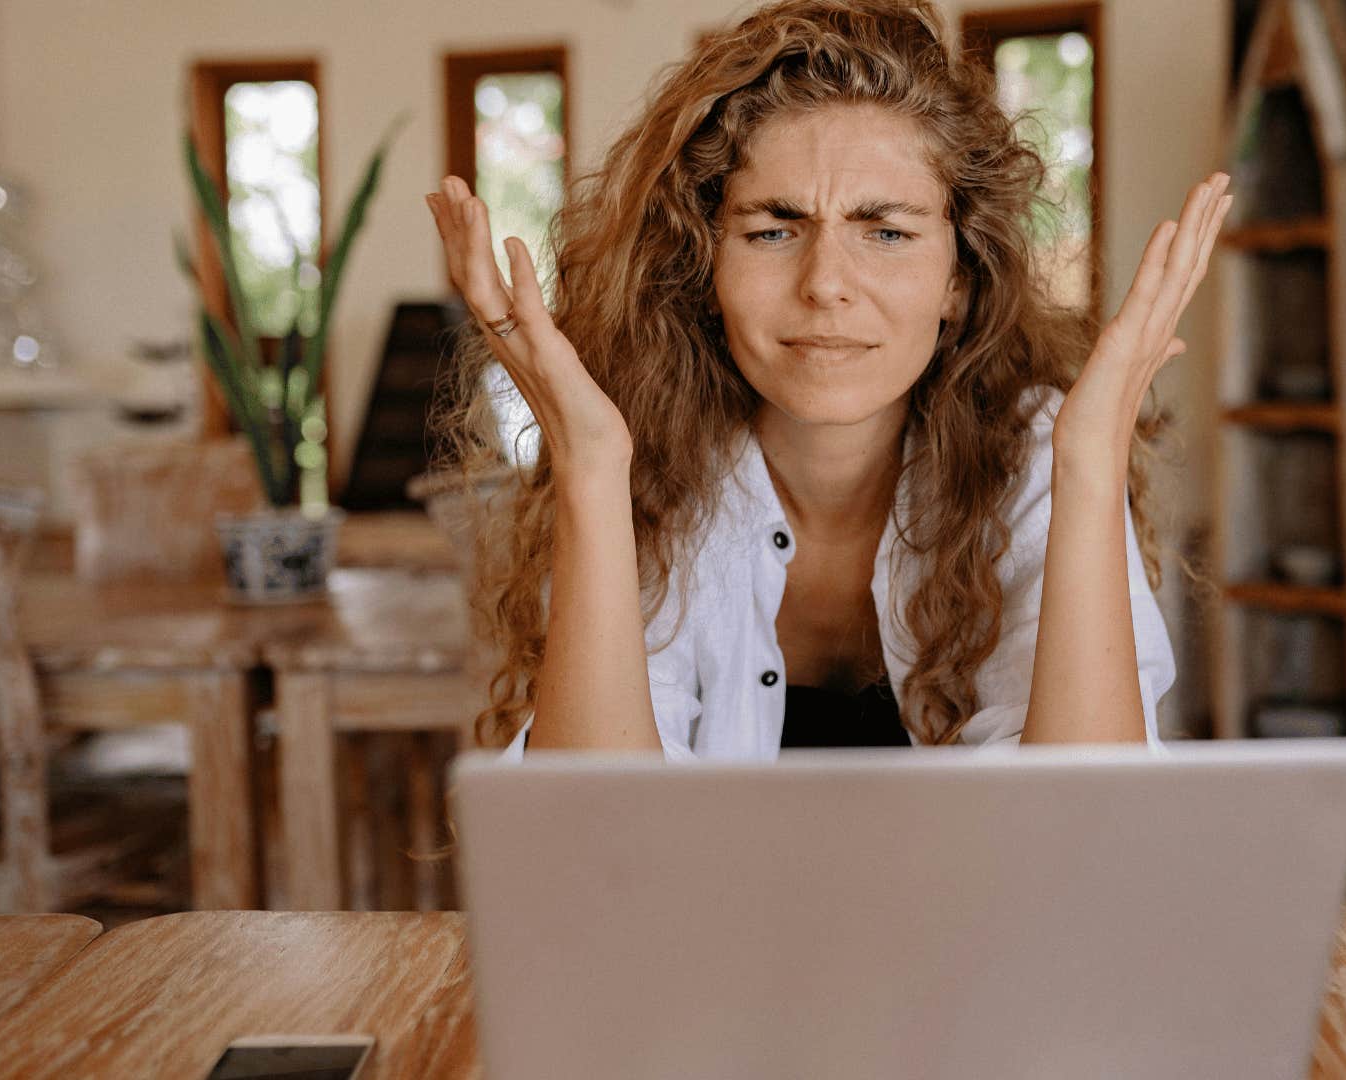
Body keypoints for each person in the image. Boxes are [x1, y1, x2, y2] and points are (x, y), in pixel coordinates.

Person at [426, 0, 1229, 758]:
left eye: (886, 231)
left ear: (959, 278)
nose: (826, 284)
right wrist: (593, 470)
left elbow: (1085, 838)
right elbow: (594, 841)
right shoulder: (648, 461)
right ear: (707, 267)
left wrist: (1087, 460)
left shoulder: (1031, 452)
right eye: (774, 230)